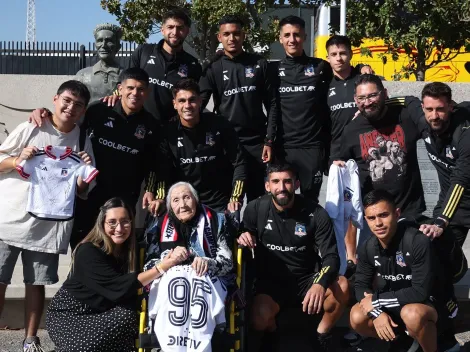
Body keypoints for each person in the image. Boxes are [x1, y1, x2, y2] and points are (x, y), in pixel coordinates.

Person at [0, 80, 96, 352]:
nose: (70, 107)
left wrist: (84, 172)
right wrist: (18, 158)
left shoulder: (82, 139)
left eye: (78, 105)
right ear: (55, 99)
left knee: (36, 283)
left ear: (83, 110)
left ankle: (30, 339)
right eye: (67, 100)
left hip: (48, 226)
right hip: (9, 219)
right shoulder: (31, 126)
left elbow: (83, 190)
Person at [238, 163, 349, 351]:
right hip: (271, 284)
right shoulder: (255, 209)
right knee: (259, 317)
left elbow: (331, 256)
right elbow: (242, 233)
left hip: (307, 280)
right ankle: (272, 334)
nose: (281, 187)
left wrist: (319, 283)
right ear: (267, 186)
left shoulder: (316, 213)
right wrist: (242, 235)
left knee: (343, 285)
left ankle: (321, 334)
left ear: (296, 184)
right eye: (276, 182)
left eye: (287, 181)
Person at [46, 197, 179, 352]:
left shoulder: (128, 252)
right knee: (84, 347)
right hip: (70, 314)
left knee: (127, 317)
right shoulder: (87, 251)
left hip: (104, 312)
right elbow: (118, 286)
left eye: (125, 221)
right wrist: (161, 267)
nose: (119, 228)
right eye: (112, 222)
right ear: (102, 224)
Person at [274, 18, 372, 202]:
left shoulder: (320, 67)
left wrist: (361, 67)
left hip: (314, 149)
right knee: (283, 200)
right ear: (280, 39)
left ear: (305, 36)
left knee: (317, 203)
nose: (292, 39)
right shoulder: (272, 70)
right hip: (284, 148)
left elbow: (343, 70)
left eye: (296, 34)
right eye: (287, 35)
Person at [350, 189, 460, 352]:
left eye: (383, 215)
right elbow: (360, 285)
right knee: (356, 316)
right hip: (394, 303)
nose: (378, 223)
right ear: (366, 220)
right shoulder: (368, 246)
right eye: (372, 218)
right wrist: (377, 312)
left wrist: (376, 301)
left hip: (431, 306)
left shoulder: (416, 240)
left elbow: (420, 292)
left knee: (412, 313)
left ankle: (436, 345)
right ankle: (403, 343)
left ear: (397, 213)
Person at [199, 14, 278, 201]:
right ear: (219, 37)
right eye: (226, 34)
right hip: (226, 144)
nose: (231, 38)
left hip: (256, 143)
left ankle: (252, 231)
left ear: (244, 35)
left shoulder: (260, 64)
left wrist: (269, 141)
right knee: (229, 201)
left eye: (236, 33)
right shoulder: (212, 68)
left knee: (256, 201)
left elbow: (273, 104)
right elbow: (198, 105)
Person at [148, 78, 247, 213]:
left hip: (218, 204)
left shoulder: (219, 124)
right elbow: (162, 170)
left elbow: (239, 162)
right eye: (182, 101)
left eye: (192, 100)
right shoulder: (167, 132)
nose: (187, 105)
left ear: (200, 101)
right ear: (174, 104)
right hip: (184, 204)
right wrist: (160, 197)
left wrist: (236, 197)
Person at [339, 74, 428, 219]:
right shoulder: (351, 130)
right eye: (361, 98)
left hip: (410, 212)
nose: (367, 102)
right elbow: (341, 164)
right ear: (355, 100)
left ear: (385, 94)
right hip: (373, 216)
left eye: (372, 95)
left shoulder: (405, 117)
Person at [326, 34, 373, 276]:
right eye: (334, 54)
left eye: (343, 53)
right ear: (328, 58)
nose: (339, 58)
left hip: (364, 154)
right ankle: (347, 258)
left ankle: (360, 257)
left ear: (351, 54)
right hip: (338, 155)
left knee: (362, 206)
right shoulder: (326, 83)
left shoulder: (361, 79)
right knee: (343, 207)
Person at [127, 8, 202, 123]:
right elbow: (125, 82)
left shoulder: (193, 65)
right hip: (138, 125)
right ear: (162, 30)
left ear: (187, 31)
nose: (175, 32)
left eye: (180, 28)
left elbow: (193, 101)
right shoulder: (143, 52)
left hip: (171, 132)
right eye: (170, 27)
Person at [418, 82, 470, 247]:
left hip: (458, 192)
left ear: (450, 107)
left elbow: (460, 179)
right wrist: (360, 110)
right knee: (439, 261)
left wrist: (442, 220)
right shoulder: (422, 123)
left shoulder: (465, 134)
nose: (434, 116)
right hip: (453, 205)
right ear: (422, 107)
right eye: (429, 109)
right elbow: (405, 102)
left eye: (440, 109)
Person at [76, 23, 124, 103]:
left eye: (109, 41)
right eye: (99, 40)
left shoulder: (126, 76)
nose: (103, 45)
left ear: (118, 46)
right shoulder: (82, 75)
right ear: (95, 45)